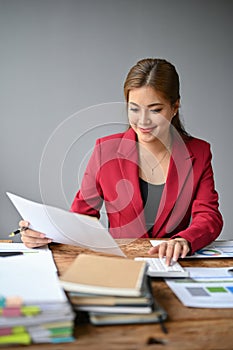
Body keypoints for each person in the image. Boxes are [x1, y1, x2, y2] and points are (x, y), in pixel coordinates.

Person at [19, 58, 223, 265]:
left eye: (155, 110)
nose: (143, 121)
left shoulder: (199, 152)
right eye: (134, 109)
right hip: (119, 264)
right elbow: (81, 218)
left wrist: (184, 240)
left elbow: (208, 216)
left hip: (172, 264)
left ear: (175, 106)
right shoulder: (105, 151)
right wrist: (41, 233)